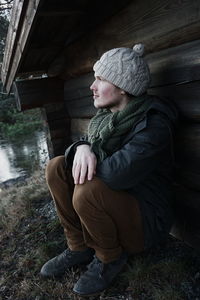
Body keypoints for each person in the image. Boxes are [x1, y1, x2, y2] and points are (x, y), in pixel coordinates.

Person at [40, 44, 177, 296]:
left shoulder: (154, 124)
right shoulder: (105, 120)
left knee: (87, 190)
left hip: (145, 222)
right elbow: (87, 154)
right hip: (118, 207)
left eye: (100, 79)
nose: (92, 86)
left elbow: (114, 174)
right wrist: (81, 146)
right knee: (56, 167)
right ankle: (78, 246)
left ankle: (108, 258)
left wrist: (87, 150)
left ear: (123, 86)